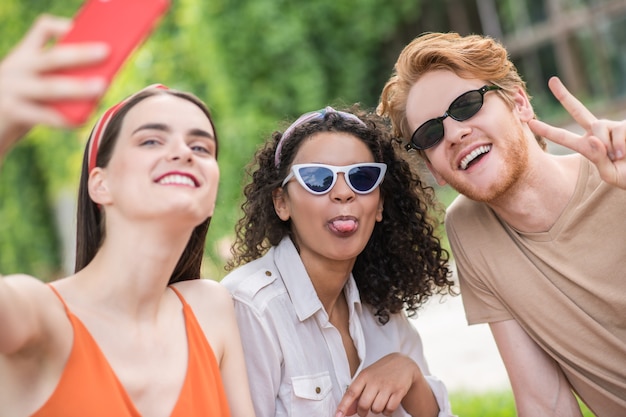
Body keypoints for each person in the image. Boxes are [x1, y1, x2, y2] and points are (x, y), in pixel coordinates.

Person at [0, 15, 255, 417]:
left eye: (202, 147)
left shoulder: (211, 309)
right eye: (151, 139)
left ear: (210, 198)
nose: (184, 152)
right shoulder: (39, 316)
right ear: (99, 184)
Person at [378, 31, 626, 417]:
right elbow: (546, 401)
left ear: (520, 103)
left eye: (466, 105)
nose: (456, 133)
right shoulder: (470, 230)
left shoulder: (618, 177)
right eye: (430, 133)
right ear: (433, 169)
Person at [221, 105, 456, 417]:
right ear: (281, 203)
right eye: (318, 179)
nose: (344, 193)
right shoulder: (251, 308)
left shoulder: (382, 309)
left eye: (362, 177)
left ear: (380, 204)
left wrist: (411, 377)